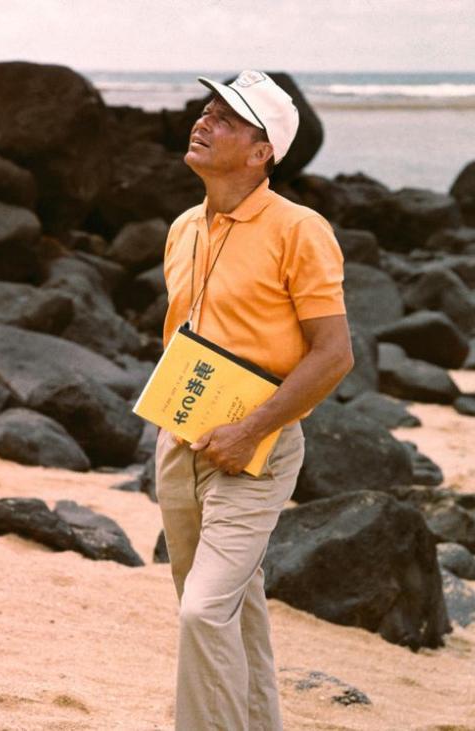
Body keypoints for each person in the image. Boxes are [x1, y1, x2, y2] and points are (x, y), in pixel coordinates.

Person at [155, 70, 354, 731]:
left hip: (258, 451)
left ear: (263, 150)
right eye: (206, 110)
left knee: (202, 611)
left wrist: (249, 429)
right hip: (179, 442)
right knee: (232, 607)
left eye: (225, 118)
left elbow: (334, 354)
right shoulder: (184, 227)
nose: (203, 122)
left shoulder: (301, 229)